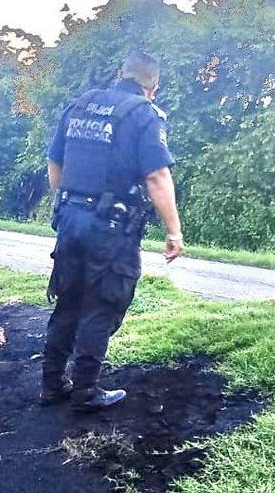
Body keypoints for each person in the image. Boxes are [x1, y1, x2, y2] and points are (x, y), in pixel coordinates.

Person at [41, 52, 184, 412]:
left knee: (69, 301)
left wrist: (64, 203)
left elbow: (54, 161)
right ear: (153, 86)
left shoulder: (80, 106)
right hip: (111, 228)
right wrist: (173, 232)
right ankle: (86, 392)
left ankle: (52, 384)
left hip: (70, 220)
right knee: (101, 306)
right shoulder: (144, 115)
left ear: (121, 73)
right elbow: (156, 175)